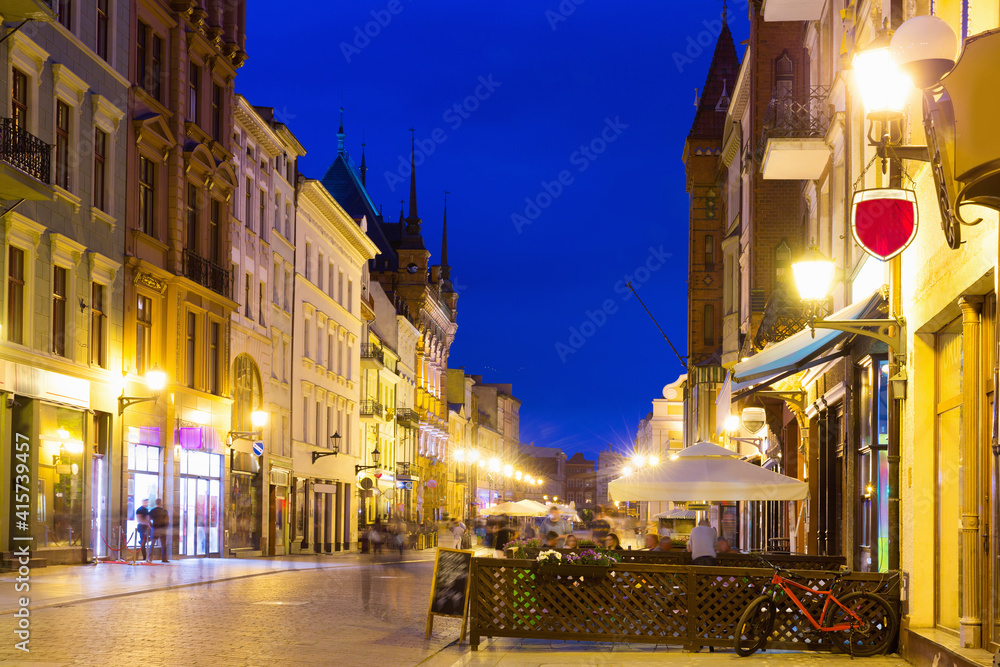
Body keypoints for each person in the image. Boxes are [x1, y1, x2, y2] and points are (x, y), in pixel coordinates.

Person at [148, 498, 169, 563]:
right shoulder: (164, 511)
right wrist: (166, 527)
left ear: (156, 503)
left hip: (155, 528)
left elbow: (148, 520)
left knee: (152, 544)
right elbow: (167, 520)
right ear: (160, 503)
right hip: (162, 529)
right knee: (163, 544)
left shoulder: (152, 511)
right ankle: (164, 558)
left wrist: (151, 527)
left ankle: (150, 557)